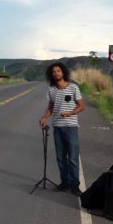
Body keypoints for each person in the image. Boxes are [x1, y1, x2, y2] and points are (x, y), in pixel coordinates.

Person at [39, 62, 85, 196]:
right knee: (60, 158)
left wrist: (70, 113)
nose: (56, 73)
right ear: (51, 75)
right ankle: (64, 183)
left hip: (71, 127)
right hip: (57, 128)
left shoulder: (73, 87)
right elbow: (50, 108)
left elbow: (81, 106)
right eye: (53, 72)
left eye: (58, 71)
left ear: (63, 72)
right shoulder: (51, 90)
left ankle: (75, 186)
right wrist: (44, 117)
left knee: (73, 158)